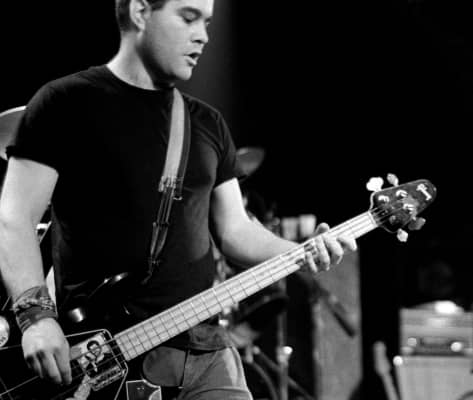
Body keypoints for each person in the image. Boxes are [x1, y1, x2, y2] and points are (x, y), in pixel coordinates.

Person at [0, 0, 357, 399]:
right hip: (107, 356)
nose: (203, 36)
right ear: (140, 12)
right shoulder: (64, 103)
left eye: (207, 22)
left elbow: (236, 231)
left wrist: (301, 252)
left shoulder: (207, 123)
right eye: (188, 18)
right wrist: (35, 317)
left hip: (205, 349)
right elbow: (15, 218)